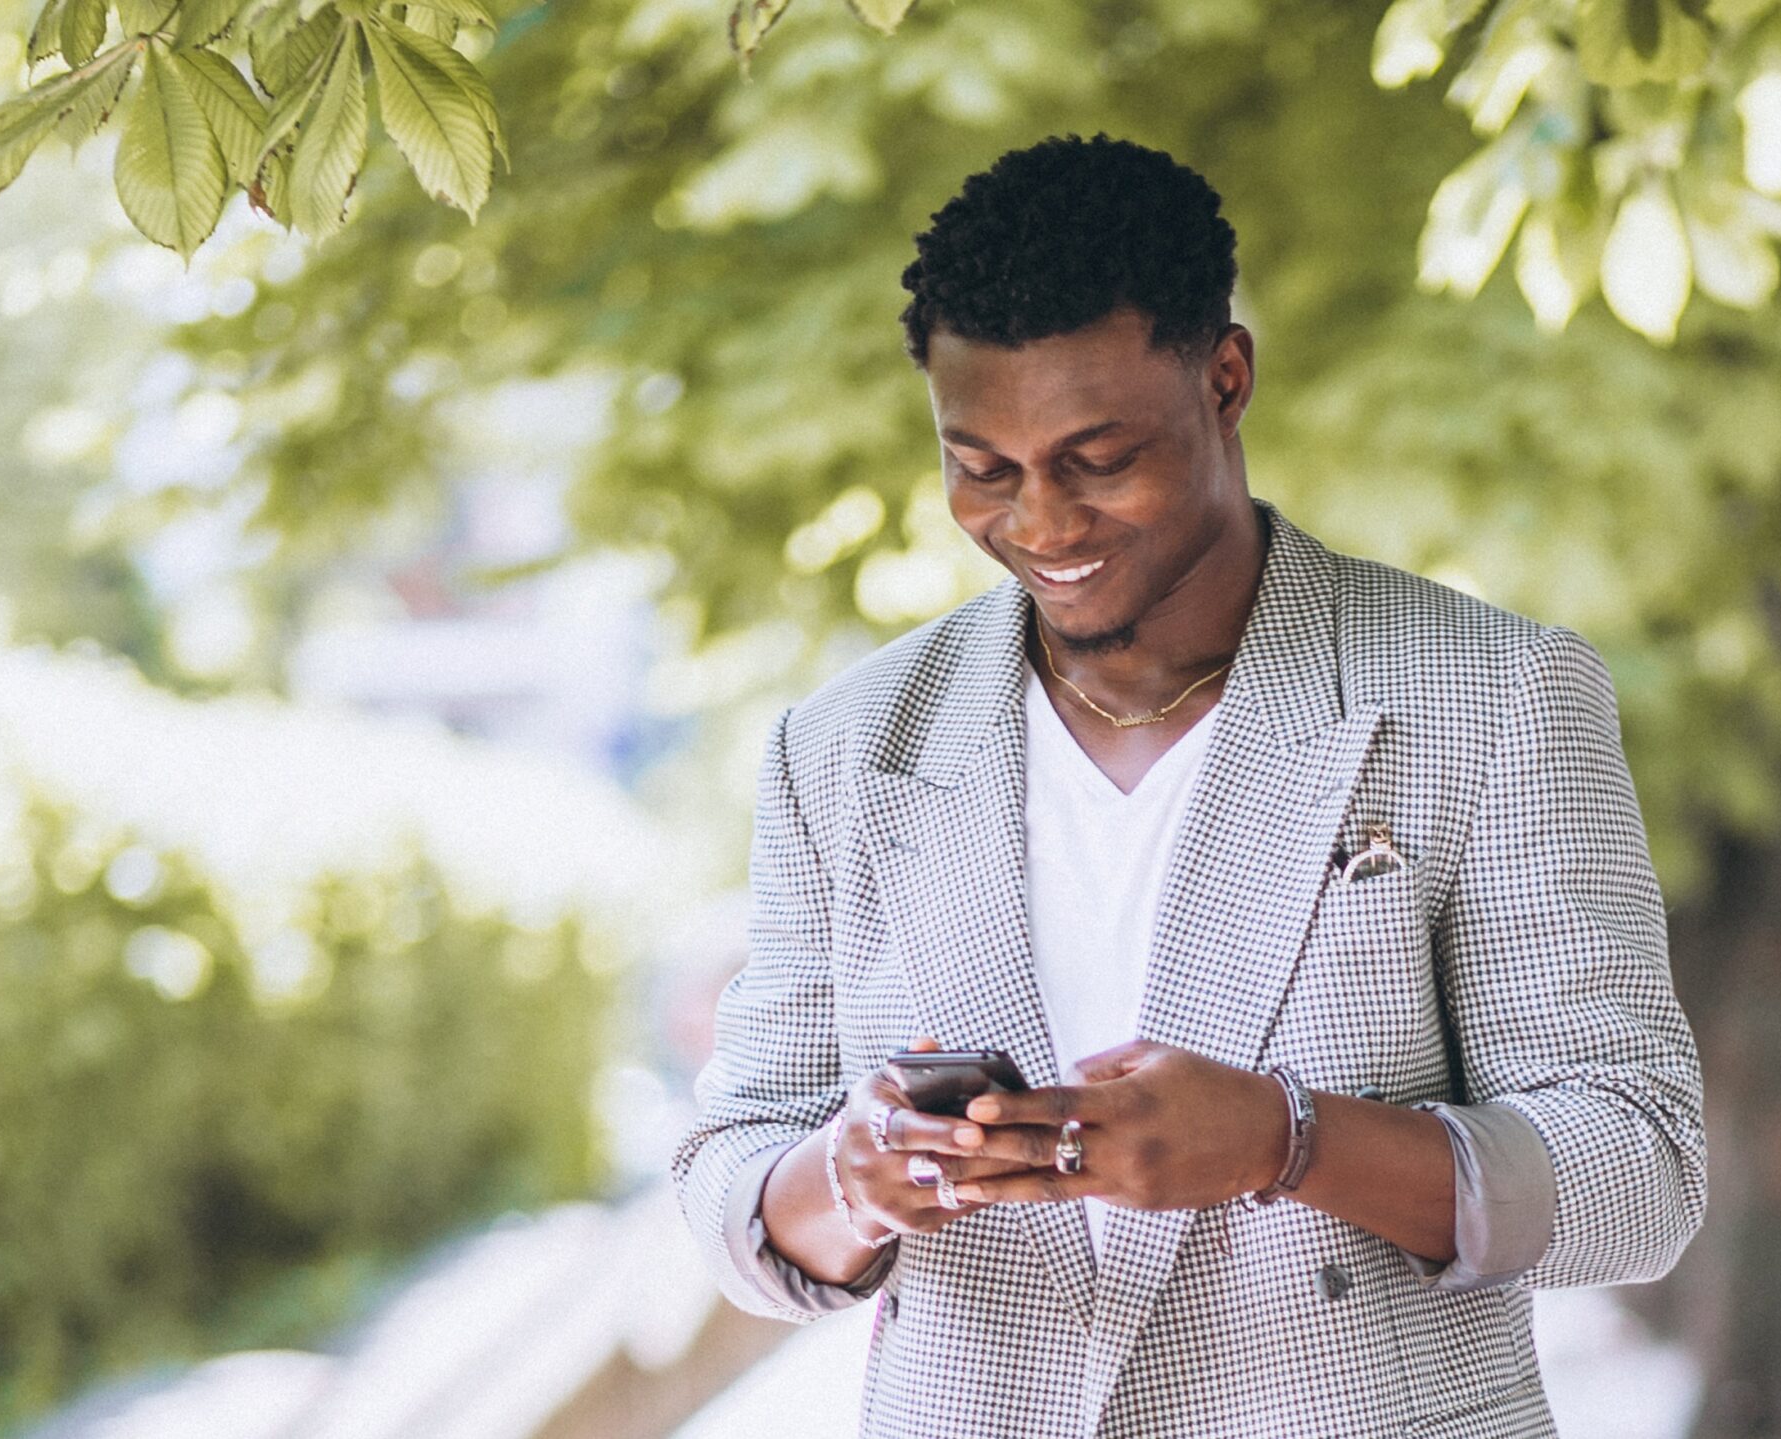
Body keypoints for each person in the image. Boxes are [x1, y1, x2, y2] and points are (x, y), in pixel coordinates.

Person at [670, 134, 1705, 1439]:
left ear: (1226, 380)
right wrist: (856, 1174)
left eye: (1099, 458)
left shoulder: (1494, 698)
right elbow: (733, 1182)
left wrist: (1288, 1141)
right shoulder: (844, 749)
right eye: (983, 467)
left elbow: (1641, 1173)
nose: (1041, 523)